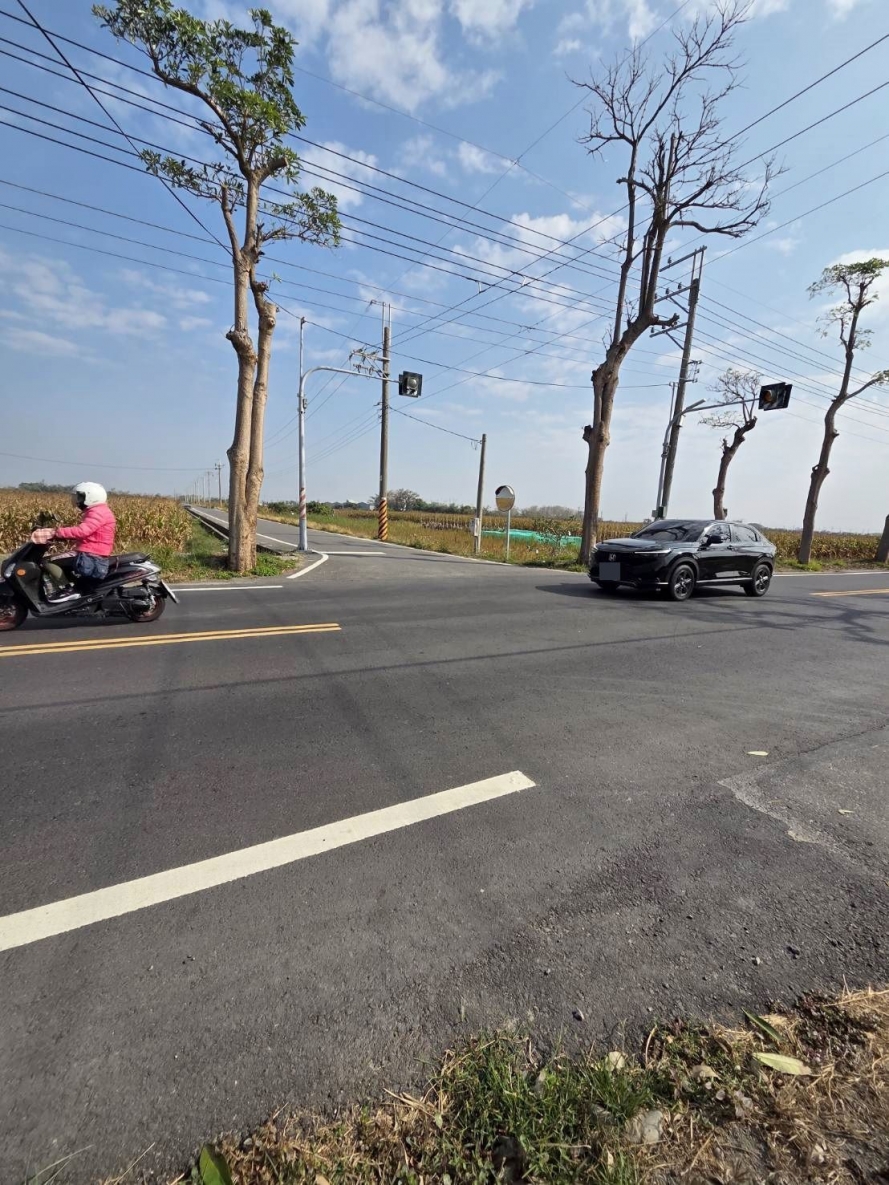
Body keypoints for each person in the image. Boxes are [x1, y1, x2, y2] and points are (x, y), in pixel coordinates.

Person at [31, 482, 117, 602]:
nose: (77, 501)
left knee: (48, 561)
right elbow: (88, 532)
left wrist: (55, 532)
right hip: (93, 551)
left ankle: (67, 590)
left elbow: (82, 531)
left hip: (90, 554)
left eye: (80, 497)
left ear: (90, 497)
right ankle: (73, 588)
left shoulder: (97, 512)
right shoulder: (99, 510)